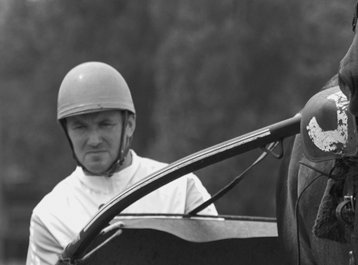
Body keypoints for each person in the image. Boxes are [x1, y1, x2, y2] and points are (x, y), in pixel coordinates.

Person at [26, 61, 217, 265]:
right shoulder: (50, 215)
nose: (94, 139)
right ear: (67, 131)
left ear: (130, 125)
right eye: (80, 127)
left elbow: (222, 257)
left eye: (105, 124)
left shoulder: (180, 187)